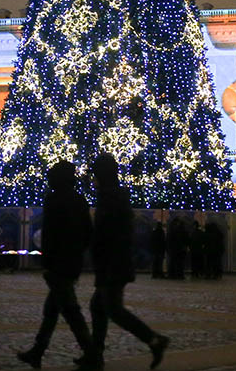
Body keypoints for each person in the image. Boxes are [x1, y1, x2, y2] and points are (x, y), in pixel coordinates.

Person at [87, 154, 169, 370]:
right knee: (98, 307)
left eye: (95, 176)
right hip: (111, 263)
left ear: (102, 176)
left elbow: (111, 234)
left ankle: (154, 340)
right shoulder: (111, 195)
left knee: (113, 310)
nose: (92, 180)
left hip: (113, 264)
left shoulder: (110, 198)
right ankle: (94, 355)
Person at [17, 161, 98, 370]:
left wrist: (48, 261)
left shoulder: (54, 199)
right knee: (51, 310)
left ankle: (92, 355)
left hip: (58, 264)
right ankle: (37, 351)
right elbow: (89, 232)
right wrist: (78, 253)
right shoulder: (79, 200)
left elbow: (50, 234)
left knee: (70, 310)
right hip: (72, 262)